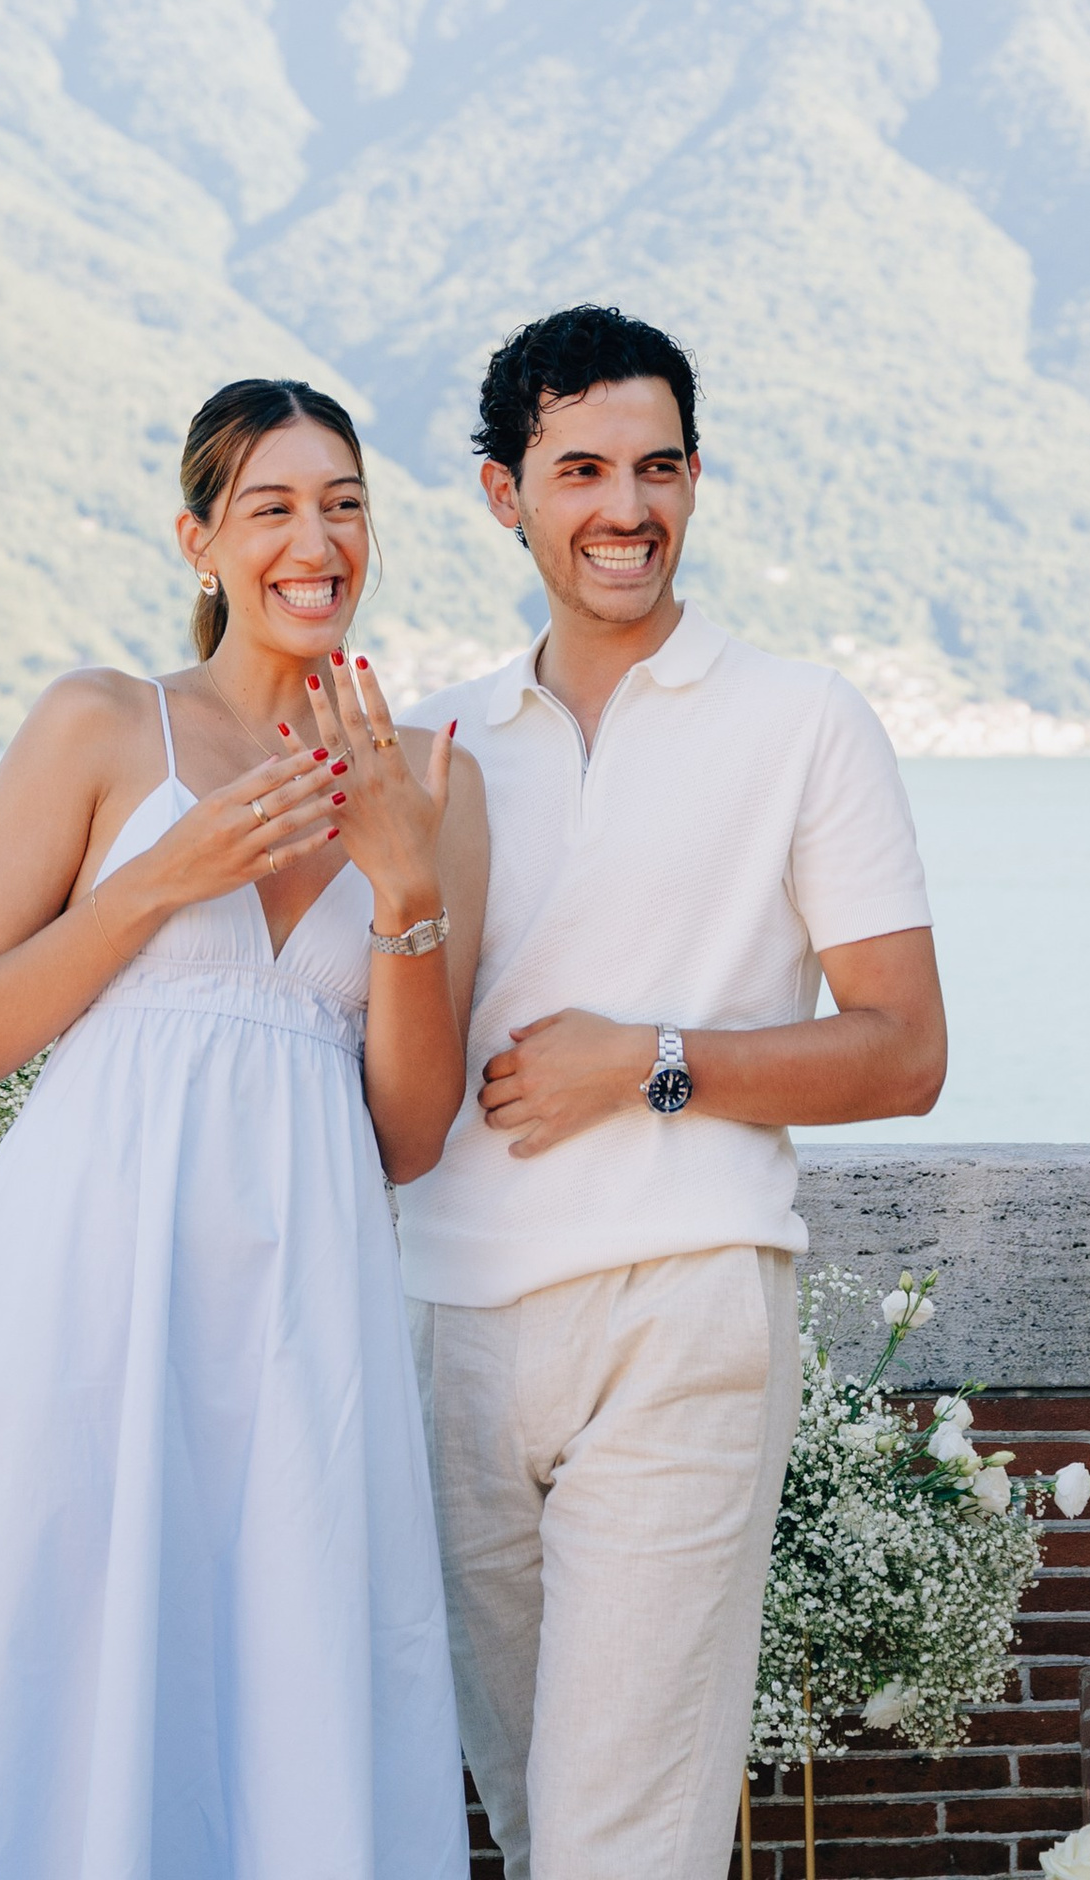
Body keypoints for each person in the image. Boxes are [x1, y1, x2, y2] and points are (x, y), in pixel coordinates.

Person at [0, 375, 489, 1880]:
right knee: (42, 1663)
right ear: (201, 540)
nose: (318, 539)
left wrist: (404, 889)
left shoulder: (434, 780)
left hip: (307, 1308)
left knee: (284, 1670)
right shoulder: (103, 725)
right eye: (275, 505)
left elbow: (411, 1133)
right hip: (86, 1284)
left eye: (346, 502)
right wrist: (166, 880)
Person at [400, 304, 947, 1880]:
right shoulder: (440, 748)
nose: (622, 509)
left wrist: (652, 1060)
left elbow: (904, 1046)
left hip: (684, 1311)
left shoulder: (804, 723)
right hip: (443, 1323)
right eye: (578, 470)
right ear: (505, 494)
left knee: (622, 1843)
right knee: (528, 1816)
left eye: (657, 467)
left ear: (698, 480)